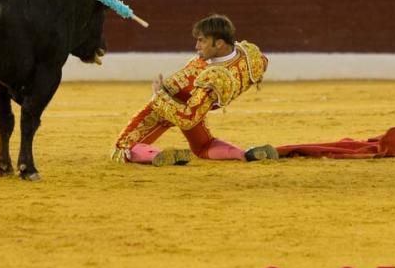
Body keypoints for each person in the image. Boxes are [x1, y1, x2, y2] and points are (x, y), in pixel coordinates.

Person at [110, 14, 276, 166]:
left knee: (122, 148)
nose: (196, 46)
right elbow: (262, 64)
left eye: (202, 41)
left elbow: (187, 118)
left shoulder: (213, 78)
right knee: (204, 146)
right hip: (197, 104)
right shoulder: (247, 54)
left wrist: (159, 96)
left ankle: (157, 156)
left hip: (177, 105)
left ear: (219, 43)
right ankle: (244, 154)